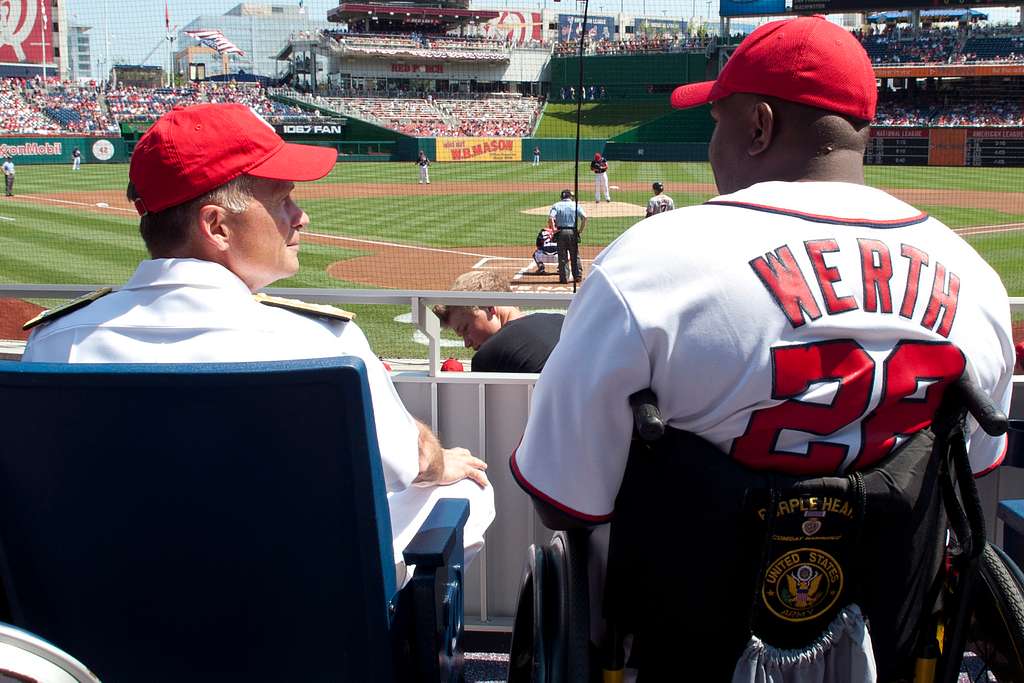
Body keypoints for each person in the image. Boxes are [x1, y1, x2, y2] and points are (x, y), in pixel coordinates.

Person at [510, 16, 1013, 681]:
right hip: (891, 648)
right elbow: (962, 482)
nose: (711, 141)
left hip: (681, 650)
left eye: (718, 120)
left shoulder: (651, 264)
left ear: (759, 126)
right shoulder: (974, 279)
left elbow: (563, 498)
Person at [20, 103, 494, 582]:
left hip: (103, 621)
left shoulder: (54, 342)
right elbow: (412, 461)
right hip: (296, 626)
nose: (301, 216)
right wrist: (441, 461)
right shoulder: (322, 342)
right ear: (217, 226)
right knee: (464, 490)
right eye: (282, 199)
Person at [433, 271, 563, 373]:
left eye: (465, 329)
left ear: (489, 308)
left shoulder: (487, 357)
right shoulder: (561, 323)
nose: (467, 343)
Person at [548, 189, 587, 284]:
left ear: (562, 197)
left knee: (562, 256)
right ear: (570, 197)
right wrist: (580, 231)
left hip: (560, 233)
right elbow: (585, 217)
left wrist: (553, 229)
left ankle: (564, 278)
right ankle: (577, 276)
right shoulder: (575, 204)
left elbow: (550, 218)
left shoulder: (556, 205)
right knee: (574, 255)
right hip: (572, 232)